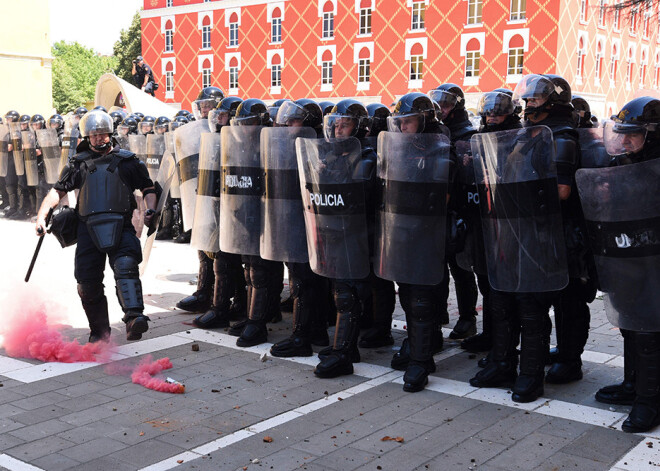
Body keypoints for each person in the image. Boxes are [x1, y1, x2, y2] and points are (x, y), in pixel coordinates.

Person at [35, 110, 157, 342]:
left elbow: (148, 188)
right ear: (86, 137)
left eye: (103, 134)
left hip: (122, 226)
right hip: (87, 229)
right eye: (94, 135)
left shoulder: (128, 162)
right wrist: (42, 216)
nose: (99, 139)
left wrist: (150, 210)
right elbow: (57, 190)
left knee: (126, 268)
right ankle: (99, 333)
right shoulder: (78, 163)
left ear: (110, 134)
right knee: (87, 281)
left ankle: (134, 318)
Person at [587, 97, 660, 433]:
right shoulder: (625, 162)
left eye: (634, 134)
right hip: (629, 255)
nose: (625, 140)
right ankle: (634, 384)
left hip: (654, 261)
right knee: (631, 323)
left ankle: (649, 400)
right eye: (623, 133)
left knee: (649, 331)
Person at [378, 93, 453, 391]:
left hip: (427, 232)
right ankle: (418, 346)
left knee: (422, 297)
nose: (403, 127)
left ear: (423, 120)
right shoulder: (398, 148)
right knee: (407, 293)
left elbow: (441, 196)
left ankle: (420, 363)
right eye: (400, 122)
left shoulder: (441, 150)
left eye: (408, 121)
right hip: (402, 230)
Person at [459, 89, 521, 357]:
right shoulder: (479, 135)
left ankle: (505, 342)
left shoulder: (518, 136)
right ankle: (490, 334)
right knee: (485, 280)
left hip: (507, 220)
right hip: (480, 215)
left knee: (503, 285)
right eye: (490, 111)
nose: (493, 116)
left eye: (499, 112)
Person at [429, 83, 480, 341]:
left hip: (461, 206)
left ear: (457, 106)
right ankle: (438, 315)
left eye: (447, 104)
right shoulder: (435, 130)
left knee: (461, 267)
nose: (442, 109)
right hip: (437, 207)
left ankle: (467, 317)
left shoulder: (468, 133)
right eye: (439, 104)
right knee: (436, 267)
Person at [191, 96, 248, 330]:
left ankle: (222, 309)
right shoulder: (219, 140)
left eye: (224, 115)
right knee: (225, 260)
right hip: (221, 207)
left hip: (241, 211)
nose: (219, 119)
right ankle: (236, 305)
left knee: (230, 262)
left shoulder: (244, 143)